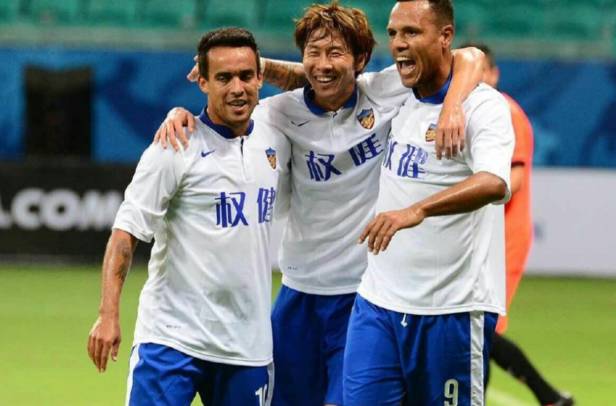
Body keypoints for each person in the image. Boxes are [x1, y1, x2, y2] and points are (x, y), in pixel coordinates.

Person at [156, 3, 485, 405]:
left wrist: (453, 105)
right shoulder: (277, 113)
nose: (323, 64)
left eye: (336, 53)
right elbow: (222, 121)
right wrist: (180, 115)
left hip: (362, 296)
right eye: (313, 52)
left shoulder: (385, 91)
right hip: (298, 293)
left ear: (360, 60)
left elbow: (471, 57)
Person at [86, 28, 290, 406]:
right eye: (224, 78)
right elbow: (125, 233)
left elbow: (331, 81)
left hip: (247, 347)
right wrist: (108, 314)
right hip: (171, 339)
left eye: (246, 75)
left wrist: (271, 65)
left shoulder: (277, 131)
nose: (237, 88)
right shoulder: (175, 146)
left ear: (260, 77)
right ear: (203, 82)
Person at [351, 1, 514, 405]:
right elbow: (323, 76)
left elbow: (493, 182)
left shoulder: (484, 106)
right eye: (393, 33)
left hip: (451, 310)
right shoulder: (397, 93)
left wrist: (417, 210)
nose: (398, 43)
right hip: (378, 304)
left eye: (411, 32)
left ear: (444, 37)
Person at [461, 41, 574, 406]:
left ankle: (546, 396)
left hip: (503, 237)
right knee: (475, 327)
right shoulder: (460, 112)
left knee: (482, 327)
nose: (474, 78)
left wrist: (462, 199)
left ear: (494, 74)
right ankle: (549, 397)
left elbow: (516, 179)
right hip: (475, 236)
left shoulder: (505, 112)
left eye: (481, 71)